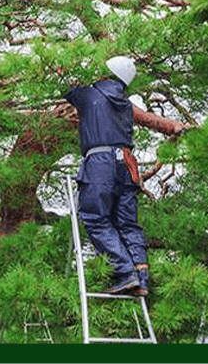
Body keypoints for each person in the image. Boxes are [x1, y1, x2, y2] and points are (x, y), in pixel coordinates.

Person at [64, 56, 149, 296]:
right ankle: (142, 279)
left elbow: (65, 86)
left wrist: (65, 68)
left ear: (106, 73)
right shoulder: (126, 104)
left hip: (100, 163)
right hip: (127, 165)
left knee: (95, 217)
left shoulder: (90, 94)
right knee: (128, 224)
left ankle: (125, 272)